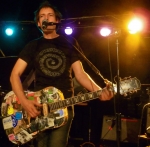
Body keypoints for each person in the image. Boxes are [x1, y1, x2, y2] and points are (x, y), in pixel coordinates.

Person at [10, 1, 113, 147]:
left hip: (64, 107)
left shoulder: (69, 43)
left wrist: (99, 90)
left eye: (50, 15)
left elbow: (80, 73)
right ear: (39, 23)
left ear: (57, 20)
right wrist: (25, 102)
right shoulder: (33, 46)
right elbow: (14, 74)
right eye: (42, 16)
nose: (46, 18)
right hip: (39, 108)